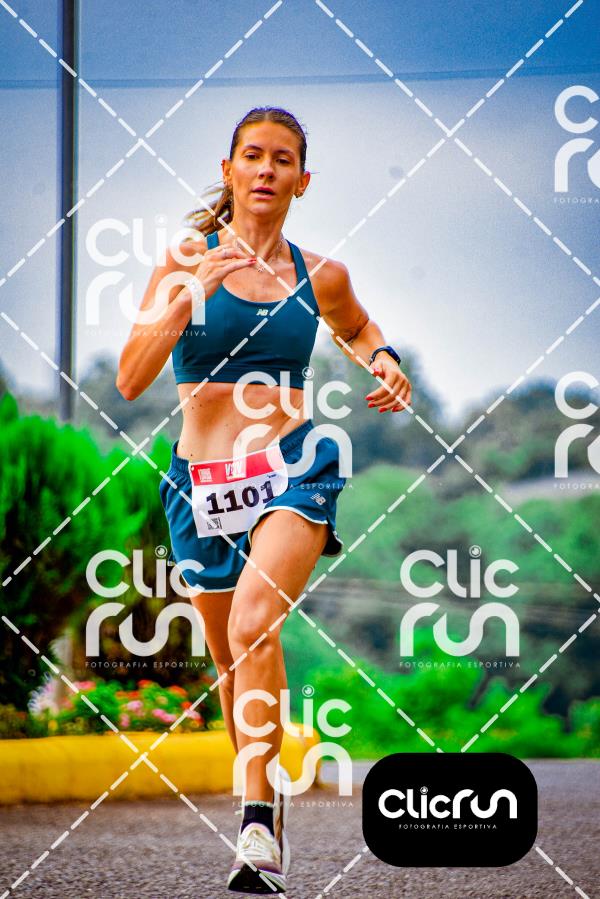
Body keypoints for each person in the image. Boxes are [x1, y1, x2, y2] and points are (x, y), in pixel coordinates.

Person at [116, 105, 411, 894]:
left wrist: (383, 358)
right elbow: (131, 377)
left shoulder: (322, 274)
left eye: (283, 159)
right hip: (200, 482)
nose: (267, 169)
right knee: (228, 658)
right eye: (253, 155)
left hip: (292, 466)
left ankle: (252, 823)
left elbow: (357, 326)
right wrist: (188, 295)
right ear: (230, 169)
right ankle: (267, 798)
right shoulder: (186, 258)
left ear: (302, 181)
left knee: (255, 624)